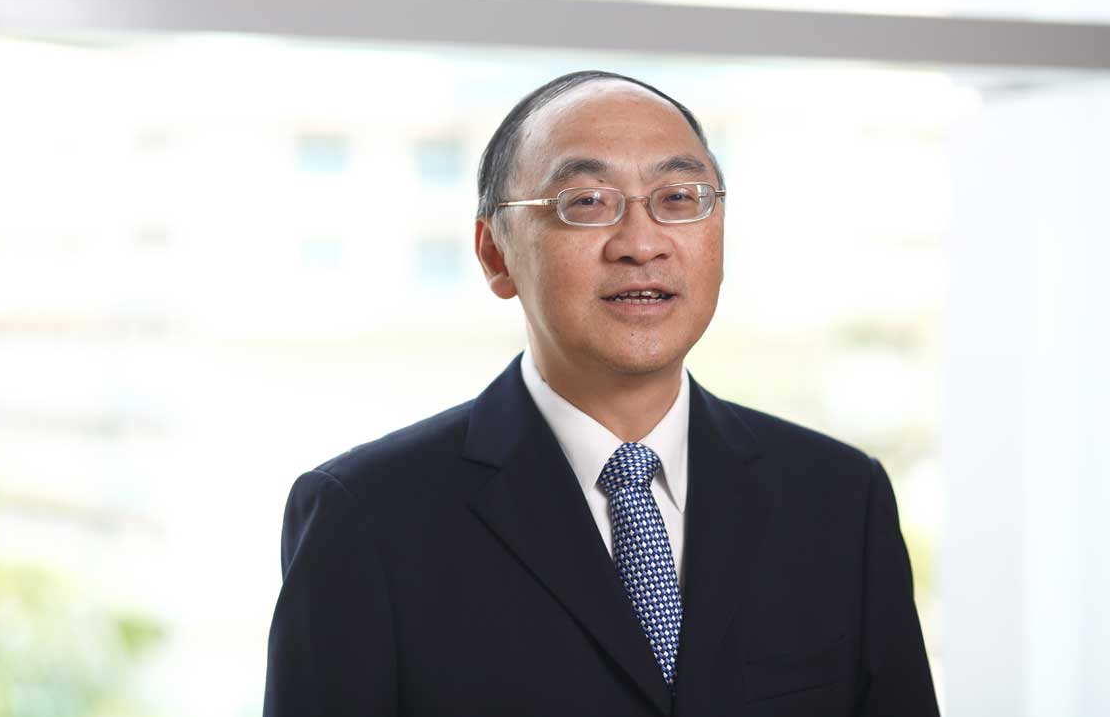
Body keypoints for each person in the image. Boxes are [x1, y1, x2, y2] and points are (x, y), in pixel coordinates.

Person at [262, 70, 940, 717]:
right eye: (585, 203)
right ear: (495, 254)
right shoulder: (366, 517)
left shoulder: (840, 500)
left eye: (679, 199)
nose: (641, 244)